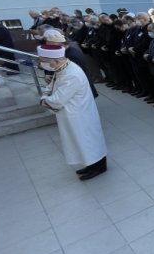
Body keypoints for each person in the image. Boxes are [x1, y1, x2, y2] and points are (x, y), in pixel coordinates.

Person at [37, 44, 107, 180]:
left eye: (43, 61)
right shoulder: (62, 68)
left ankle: (98, 166)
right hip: (72, 114)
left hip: (79, 115)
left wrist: (44, 100)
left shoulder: (71, 74)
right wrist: (46, 95)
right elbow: (51, 86)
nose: (42, 64)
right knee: (80, 141)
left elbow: (57, 100)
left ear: (55, 60)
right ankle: (91, 164)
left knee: (87, 141)